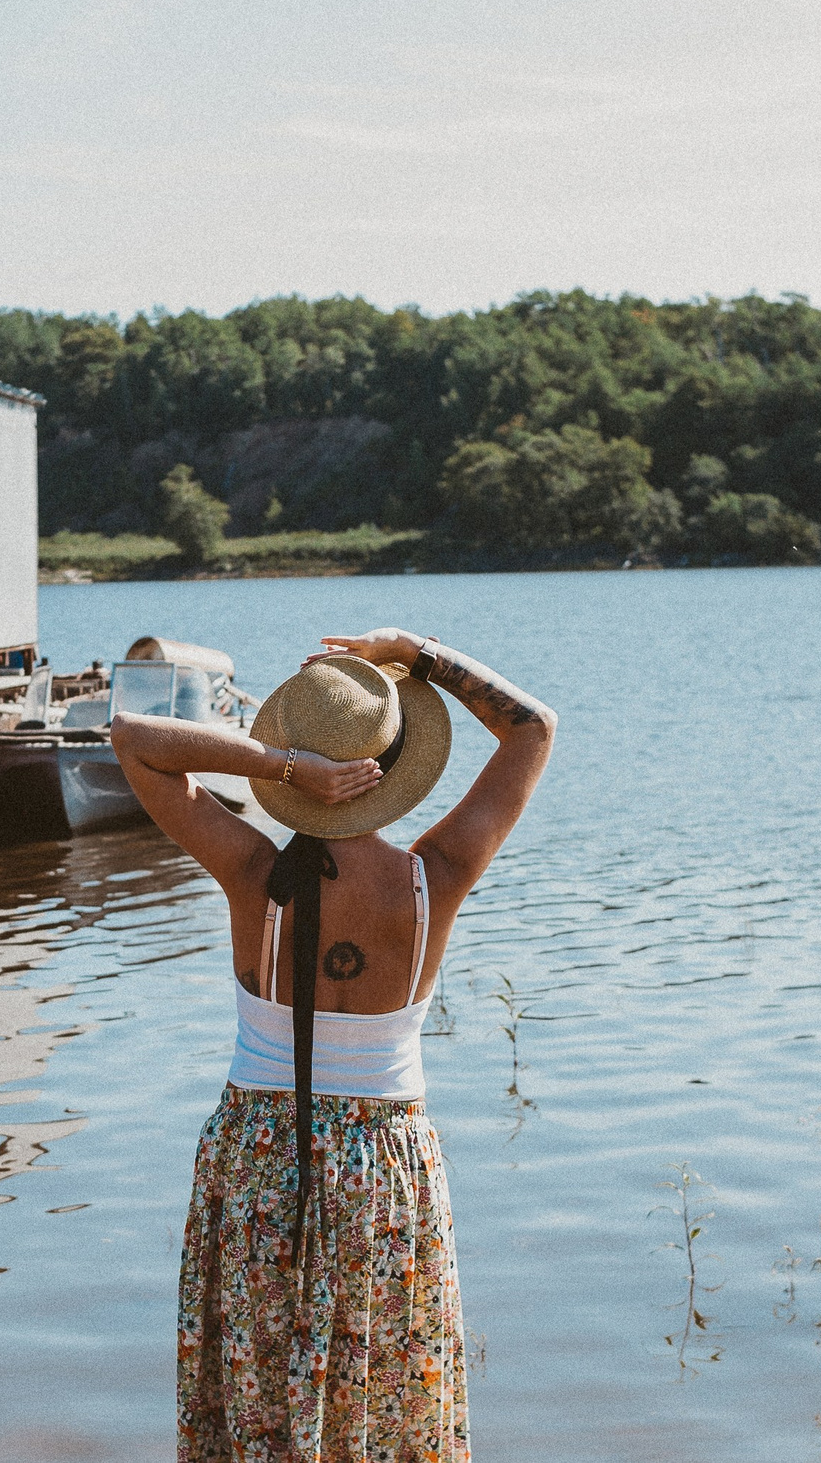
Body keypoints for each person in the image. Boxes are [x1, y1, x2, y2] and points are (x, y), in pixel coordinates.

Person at [110, 627, 555, 1463]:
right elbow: (532, 727)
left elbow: (135, 741)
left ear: (309, 773)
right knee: (382, 1384)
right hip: (384, 1166)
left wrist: (280, 766)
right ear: (394, 769)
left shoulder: (251, 872)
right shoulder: (439, 876)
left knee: (260, 1387)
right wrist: (416, 653)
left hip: (258, 1151)